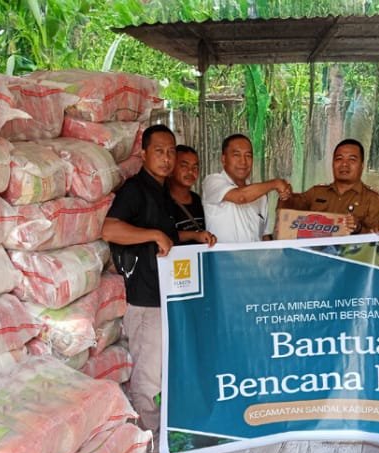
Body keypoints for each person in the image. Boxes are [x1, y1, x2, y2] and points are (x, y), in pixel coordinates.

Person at [101, 124, 215, 437]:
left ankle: (163, 433)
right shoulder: (135, 190)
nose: (166, 158)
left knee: (166, 369)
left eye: (170, 152)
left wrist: (194, 235)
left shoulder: (160, 192)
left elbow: (165, 234)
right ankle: (149, 440)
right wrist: (152, 235)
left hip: (166, 295)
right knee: (149, 375)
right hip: (145, 297)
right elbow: (110, 230)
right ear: (143, 153)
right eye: (159, 151)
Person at [279, 139, 379, 234]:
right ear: (332, 164)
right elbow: (288, 212)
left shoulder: (374, 199)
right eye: (339, 159)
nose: (344, 164)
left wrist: (358, 228)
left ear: (362, 166)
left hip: (350, 257)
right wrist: (286, 196)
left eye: (352, 159)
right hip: (314, 256)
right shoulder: (316, 193)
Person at [202, 134, 291, 242]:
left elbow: (264, 235)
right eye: (236, 155)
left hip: (254, 258)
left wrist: (285, 197)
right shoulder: (212, 181)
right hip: (223, 259)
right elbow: (241, 197)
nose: (243, 162)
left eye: (248, 156)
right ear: (224, 159)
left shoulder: (261, 195)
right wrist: (275, 183)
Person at [166, 144, 207, 242]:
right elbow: (163, 235)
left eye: (195, 167)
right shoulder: (162, 200)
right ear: (171, 169)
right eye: (184, 166)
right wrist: (194, 235)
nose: (190, 172)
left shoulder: (197, 200)